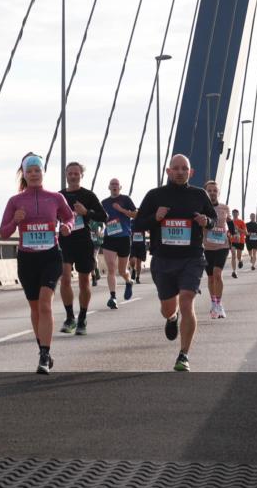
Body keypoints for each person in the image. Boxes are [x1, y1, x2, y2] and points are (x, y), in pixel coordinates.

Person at [133, 154, 217, 372]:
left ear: (191, 172)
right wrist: (156, 218)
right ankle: (171, 318)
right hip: (163, 259)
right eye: (176, 168)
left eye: (184, 168)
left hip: (192, 258)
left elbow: (213, 219)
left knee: (187, 300)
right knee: (168, 308)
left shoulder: (199, 195)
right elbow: (137, 224)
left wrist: (206, 221)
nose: (180, 172)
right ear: (168, 171)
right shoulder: (155, 195)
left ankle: (183, 355)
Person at [0, 153, 74, 374]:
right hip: (27, 259)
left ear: (43, 172)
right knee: (34, 308)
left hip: (50, 256)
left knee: (44, 303)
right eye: (29, 171)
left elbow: (69, 217)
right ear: (24, 174)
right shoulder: (15, 201)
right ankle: (43, 349)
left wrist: (67, 227)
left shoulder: (55, 198)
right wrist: (15, 220)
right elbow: (3, 233)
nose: (34, 174)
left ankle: (44, 354)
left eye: (37, 170)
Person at [58, 162, 108, 336]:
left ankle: (82, 318)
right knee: (65, 279)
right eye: (70, 173)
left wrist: (86, 212)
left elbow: (104, 216)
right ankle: (70, 317)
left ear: (81, 175)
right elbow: (50, 216)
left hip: (84, 242)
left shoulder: (88, 195)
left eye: (76, 173)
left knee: (84, 281)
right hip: (65, 241)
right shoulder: (59, 196)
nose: (73, 176)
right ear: (66, 175)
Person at [100, 178, 137, 309]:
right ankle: (113, 297)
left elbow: (135, 215)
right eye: (112, 184)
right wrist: (101, 226)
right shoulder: (104, 202)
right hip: (109, 237)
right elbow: (100, 219)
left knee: (122, 271)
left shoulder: (126, 200)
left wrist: (121, 210)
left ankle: (129, 281)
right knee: (111, 268)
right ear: (109, 187)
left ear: (120, 187)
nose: (114, 186)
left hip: (124, 238)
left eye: (116, 184)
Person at [202, 181, 237, 319]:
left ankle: (219, 304)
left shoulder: (224, 207)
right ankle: (213, 303)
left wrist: (233, 233)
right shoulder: (202, 207)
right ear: (205, 193)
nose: (212, 193)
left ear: (218, 193)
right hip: (207, 247)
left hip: (222, 245)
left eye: (215, 191)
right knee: (211, 277)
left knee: (217, 274)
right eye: (209, 190)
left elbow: (230, 222)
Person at [229, 209, 247, 278]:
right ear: (232, 214)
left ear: (238, 214)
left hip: (240, 241)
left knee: (238, 256)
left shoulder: (241, 222)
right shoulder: (230, 222)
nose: (235, 214)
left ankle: (240, 260)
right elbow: (228, 231)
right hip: (233, 241)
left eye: (236, 213)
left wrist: (238, 229)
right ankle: (234, 271)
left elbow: (246, 232)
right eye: (233, 213)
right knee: (233, 255)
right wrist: (228, 234)